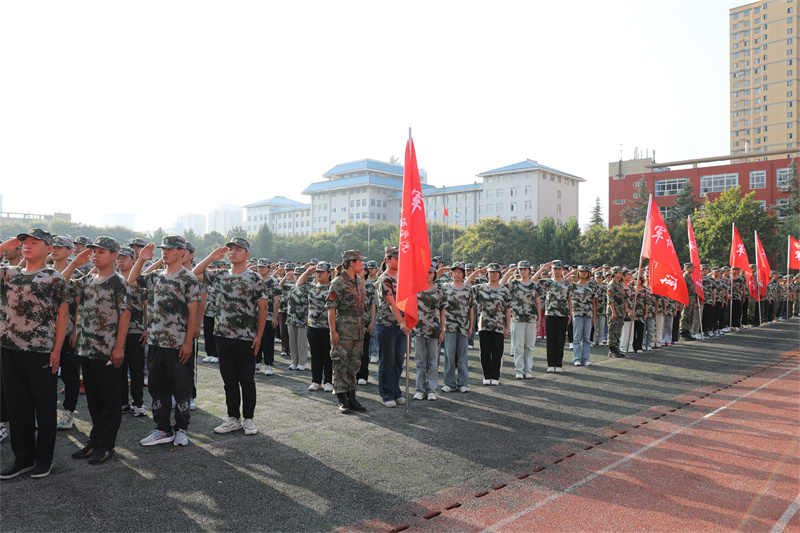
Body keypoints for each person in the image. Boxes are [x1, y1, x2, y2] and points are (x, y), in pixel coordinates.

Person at [0, 229, 69, 479]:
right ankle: (23, 459)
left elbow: (63, 315)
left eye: (34, 242)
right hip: (10, 349)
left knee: (45, 407)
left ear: (48, 248)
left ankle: (44, 459)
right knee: (17, 407)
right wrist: (2, 248)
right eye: (24, 242)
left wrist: (57, 350)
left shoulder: (53, 278)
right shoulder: (9, 273)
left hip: (41, 350)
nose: (27, 246)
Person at [62, 237, 130, 465]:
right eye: (94, 252)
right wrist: (74, 263)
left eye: (101, 252)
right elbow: (60, 283)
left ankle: (107, 445)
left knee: (109, 401)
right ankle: (95, 441)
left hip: (108, 351)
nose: (95, 255)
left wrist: (119, 347)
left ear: (114, 255)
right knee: (94, 401)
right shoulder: (88, 279)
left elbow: (125, 314)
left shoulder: (118, 282)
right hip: (87, 349)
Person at [129, 236, 199, 447]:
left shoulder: (188, 278)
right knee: (157, 387)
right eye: (163, 249)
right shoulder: (156, 276)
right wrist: (141, 259)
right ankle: (162, 429)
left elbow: (193, 312)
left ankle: (181, 429)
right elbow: (132, 280)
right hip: (156, 343)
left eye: (170, 249)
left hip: (178, 344)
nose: (165, 252)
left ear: (182, 251)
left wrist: (188, 342)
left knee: (181, 388)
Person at [193, 238, 267, 436]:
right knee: (229, 381)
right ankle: (233, 418)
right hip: (223, 336)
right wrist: (211, 257)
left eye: (238, 249)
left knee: (247, 381)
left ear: (247, 254)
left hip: (246, 337)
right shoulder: (220, 275)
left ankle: (249, 419)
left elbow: (262, 307)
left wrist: (259, 335)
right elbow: (194, 273)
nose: (233, 252)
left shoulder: (254, 278)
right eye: (231, 249)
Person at [327, 250, 367, 414]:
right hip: (343, 329)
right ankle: (342, 398)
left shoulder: (359, 280)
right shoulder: (338, 282)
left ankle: (352, 397)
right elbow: (331, 308)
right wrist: (333, 332)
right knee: (340, 363)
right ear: (352, 263)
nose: (362, 264)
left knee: (354, 364)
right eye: (359, 261)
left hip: (358, 330)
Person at [375, 247, 411, 407]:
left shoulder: (402, 278)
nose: (399, 261)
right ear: (387, 260)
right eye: (396, 258)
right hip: (387, 324)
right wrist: (402, 322)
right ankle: (387, 394)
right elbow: (391, 303)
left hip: (401, 325)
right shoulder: (385, 279)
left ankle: (396, 391)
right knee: (387, 361)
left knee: (398, 361)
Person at [116, 247, 147, 417]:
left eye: (124, 258)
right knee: (118, 368)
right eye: (118, 258)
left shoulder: (139, 281)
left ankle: (138, 402)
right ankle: (122, 402)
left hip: (136, 330)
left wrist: (147, 328)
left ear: (133, 260)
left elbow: (147, 306)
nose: (120, 260)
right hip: (116, 332)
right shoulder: (113, 280)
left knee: (136, 369)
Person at [467, 263, 511, 384]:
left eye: (496, 272)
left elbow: (508, 310)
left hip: (499, 326)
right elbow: (464, 287)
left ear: (500, 274)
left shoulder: (504, 290)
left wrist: (507, 327)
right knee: (485, 352)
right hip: (484, 325)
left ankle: (495, 376)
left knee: (497, 352)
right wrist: (473, 275)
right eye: (491, 272)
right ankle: (487, 376)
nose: (493, 274)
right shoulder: (480, 288)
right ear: (487, 274)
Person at [296, 262, 334, 392]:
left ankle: (328, 381)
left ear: (329, 273)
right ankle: (316, 381)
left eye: (322, 272)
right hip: (313, 326)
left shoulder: (333, 287)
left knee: (328, 355)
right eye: (317, 272)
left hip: (328, 327)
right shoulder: (311, 286)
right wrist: (307, 272)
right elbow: (298, 284)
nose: (319, 274)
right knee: (315, 355)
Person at [501, 261, 540, 379]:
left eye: (525, 269)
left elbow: (538, 303)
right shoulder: (514, 283)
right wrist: (508, 273)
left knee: (529, 346)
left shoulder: (535, 285)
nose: (522, 271)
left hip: (531, 318)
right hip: (517, 319)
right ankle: (519, 370)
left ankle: (528, 370)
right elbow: (501, 286)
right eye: (520, 269)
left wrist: (539, 319)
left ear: (529, 271)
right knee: (518, 346)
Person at [533, 260, 573, 372]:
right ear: (552, 270)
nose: (557, 271)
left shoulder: (568, 283)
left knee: (560, 340)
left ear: (562, 270)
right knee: (550, 340)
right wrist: (542, 269)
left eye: (559, 269)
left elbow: (569, 300)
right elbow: (533, 280)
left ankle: (558, 364)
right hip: (550, 314)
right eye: (555, 269)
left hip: (563, 314)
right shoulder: (548, 282)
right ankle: (551, 364)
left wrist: (570, 314)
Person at [412, 265, 445, 400]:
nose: (428, 275)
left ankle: (431, 389)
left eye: (430, 272)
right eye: (425, 272)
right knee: (420, 361)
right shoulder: (415, 289)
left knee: (433, 361)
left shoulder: (439, 291)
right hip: (419, 330)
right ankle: (420, 389)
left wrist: (442, 330)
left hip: (434, 330)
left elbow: (442, 312)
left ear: (434, 274)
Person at [441, 262, 474, 393]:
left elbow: (471, 308)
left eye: (460, 272)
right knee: (449, 356)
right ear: (451, 273)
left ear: (463, 274)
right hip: (449, 326)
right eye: (455, 272)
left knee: (462, 356)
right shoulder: (445, 287)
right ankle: (449, 383)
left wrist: (471, 327)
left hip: (464, 326)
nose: (457, 274)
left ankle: (463, 383)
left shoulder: (468, 289)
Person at [256, 259, 279, 375]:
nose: (261, 269)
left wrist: (275, 317)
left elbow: (276, 301)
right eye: (259, 267)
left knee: (268, 342)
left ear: (269, 268)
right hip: (255, 316)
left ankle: (268, 364)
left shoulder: (273, 282)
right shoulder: (254, 280)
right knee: (255, 341)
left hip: (268, 316)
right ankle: (256, 363)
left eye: (263, 267)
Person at [570, 265, 596, 366]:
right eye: (581, 271)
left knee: (586, 338)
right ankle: (577, 358)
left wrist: (593, 315)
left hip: (588, 314)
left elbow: (593, 302)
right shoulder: (573, 286)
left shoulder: (591, 286)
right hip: (577, 314)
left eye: (586, 271)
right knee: (577, 337)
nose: (584, 273)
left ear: (589, 273)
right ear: (578, 273)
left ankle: (586, 359)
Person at [605, 266, 627, 358]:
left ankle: (617, 348)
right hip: (614, 310)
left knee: (618, 330)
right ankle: (612, 349)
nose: (622, 274)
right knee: (613, 330)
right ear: (614, 273)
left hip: (620, 310)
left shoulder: (620, 284)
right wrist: (613, 312)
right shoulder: (611, 284)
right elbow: (610, 299)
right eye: (620, 273)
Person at [679, 262, 697, 341]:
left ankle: (688, 332)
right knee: (685, 316)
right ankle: (683, 333)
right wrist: (684, 301)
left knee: (690, 316)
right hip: (687, 300)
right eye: (691, 268)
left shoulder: (690, 277)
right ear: (687, 268)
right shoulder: (684, 278)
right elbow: (683, 291)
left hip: (691, 301)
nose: (693, 269)